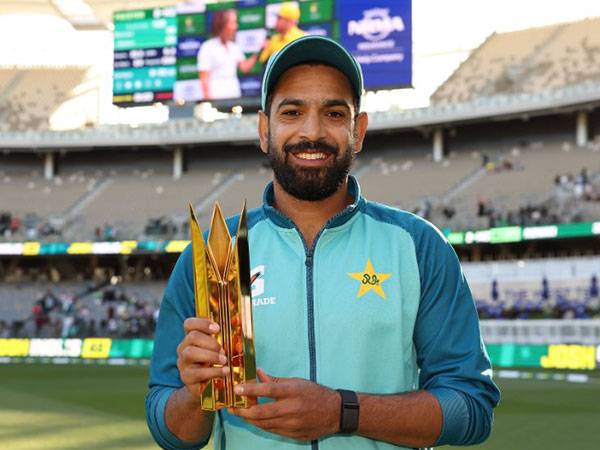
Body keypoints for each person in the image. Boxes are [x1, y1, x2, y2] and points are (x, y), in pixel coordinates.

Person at [146, 36, 500, 450]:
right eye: (292, 112)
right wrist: (195, 395)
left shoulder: (418, 246)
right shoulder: (212, 255)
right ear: (265, 130)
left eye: (334, 113)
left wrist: (340, 412)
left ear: (359, 130)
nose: (312, 132)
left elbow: (471, 408)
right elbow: (170, 432)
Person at [197, 9, 258, 100]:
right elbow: (204, 78)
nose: (236, 26)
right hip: (216, 98)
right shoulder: (207, 47)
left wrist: (259, 52)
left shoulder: (234, 47)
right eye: (233, 23)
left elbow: (244, 68)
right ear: (223, 24)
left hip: (234, 96)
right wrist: (208, 101)